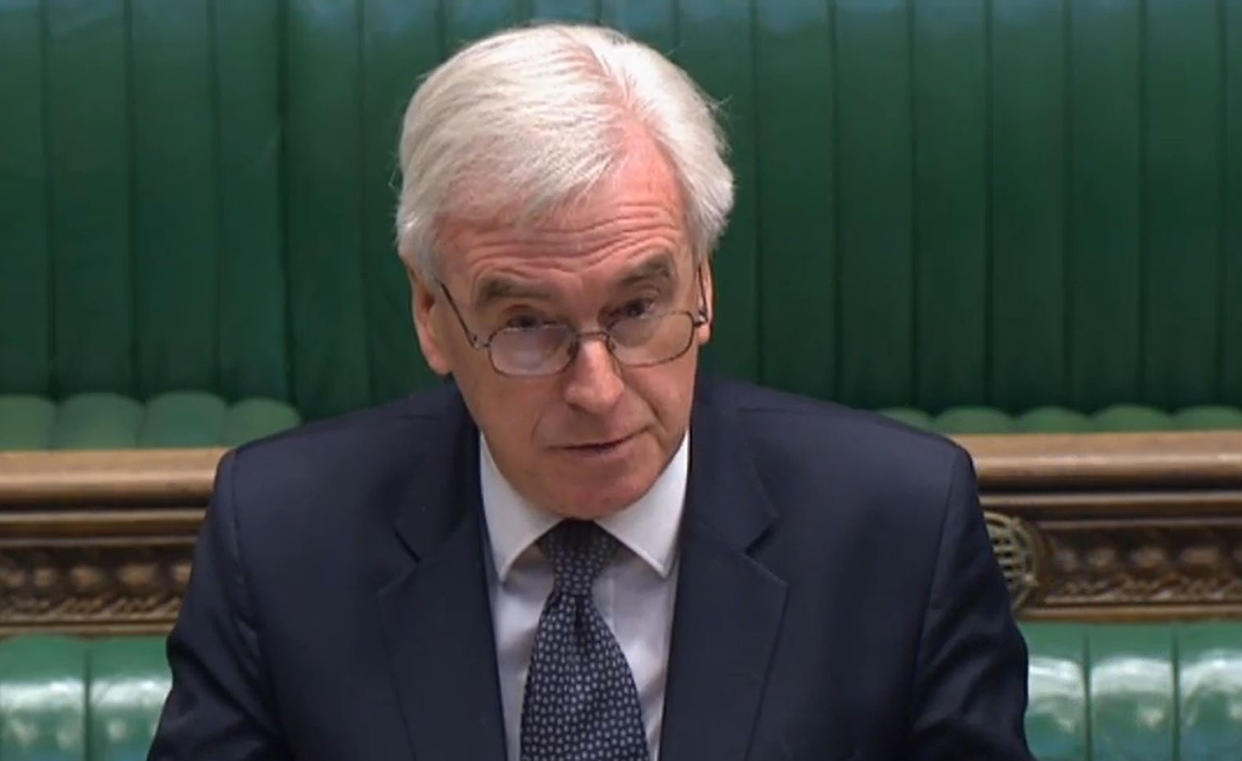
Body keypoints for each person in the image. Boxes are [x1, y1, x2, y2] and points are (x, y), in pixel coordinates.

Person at [148, 23, 1033, 761]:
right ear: (430, 311)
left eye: (639, 308)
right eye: (530, 325)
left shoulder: (899, 530)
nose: (599, 387)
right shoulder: (279, 539)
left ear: (704, 285)